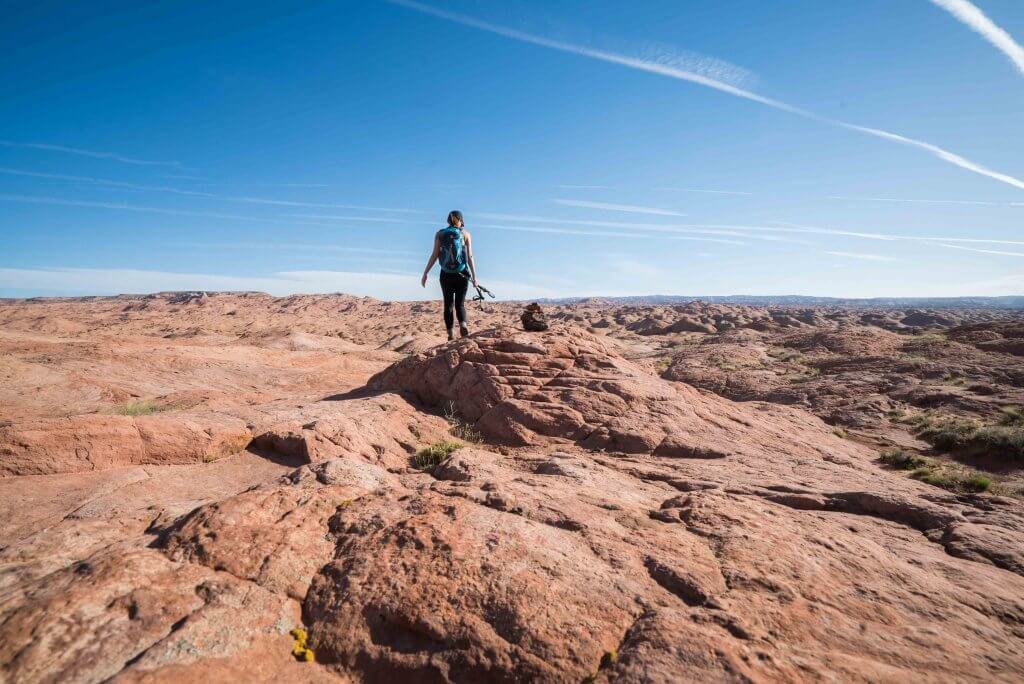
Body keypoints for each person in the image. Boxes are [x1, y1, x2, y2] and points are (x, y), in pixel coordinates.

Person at [421, 210, 478, 340]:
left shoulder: (440, 234)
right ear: (461, 221)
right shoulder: (465, 234)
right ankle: (463, 324)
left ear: (448, 220)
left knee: (448, 305)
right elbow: (470, 256)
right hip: (462, 273)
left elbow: (434, 255)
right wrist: (474, 277)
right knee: (460, 304)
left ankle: (450, 333)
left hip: (446, 274)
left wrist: (425, 273)